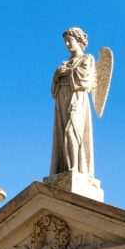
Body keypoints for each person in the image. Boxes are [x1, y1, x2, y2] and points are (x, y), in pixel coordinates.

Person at [50, 27, 95, 177]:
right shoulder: (66, 62)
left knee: (72, 131)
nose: (68, 44)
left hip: (77, 97)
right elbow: (53, 90)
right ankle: (64, 168)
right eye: (65, 42)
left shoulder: (87, 58)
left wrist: (67, 72)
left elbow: (86, 80)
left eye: (70, 41)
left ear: (79, 40)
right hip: (62, 97)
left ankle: (75, 168)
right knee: (62, 134)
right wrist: (57, 76)